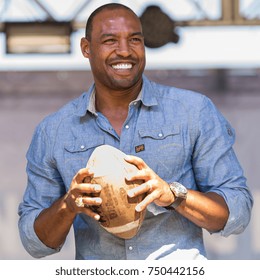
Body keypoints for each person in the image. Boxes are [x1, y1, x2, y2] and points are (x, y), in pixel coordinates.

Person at [18, 3, 253, 260]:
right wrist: (68, 205)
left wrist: (173, 194)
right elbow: (34, 242)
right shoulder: (54, 131)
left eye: (134, 40)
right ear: (87, 48)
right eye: (110, 40)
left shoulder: (193, 111)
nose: (124, 51)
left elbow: (237, 210)